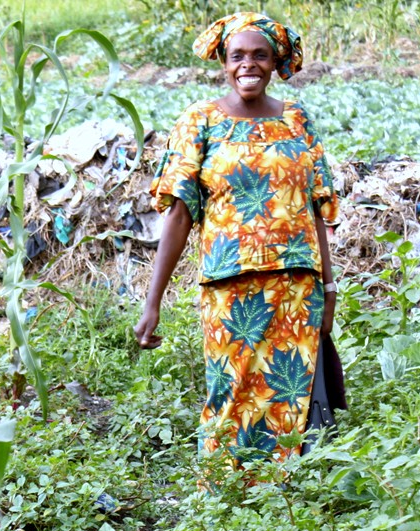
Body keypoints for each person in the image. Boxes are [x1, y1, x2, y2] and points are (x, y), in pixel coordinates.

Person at [134, 12, 339, 468]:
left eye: (260, 55)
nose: (249, 64)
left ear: (274, 62)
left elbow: (316, 208)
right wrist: (154, 301)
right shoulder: (200, 120)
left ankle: (288, 498)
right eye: (238, 56)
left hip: (296, 288)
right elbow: (180, 213)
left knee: (290, 398)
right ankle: (224, 500)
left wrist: (328, 289)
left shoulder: (296, 119)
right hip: (231, 289)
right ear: (224, 63)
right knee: (231, 395)